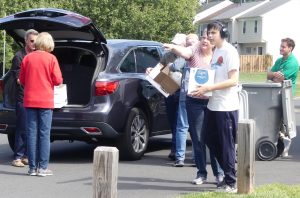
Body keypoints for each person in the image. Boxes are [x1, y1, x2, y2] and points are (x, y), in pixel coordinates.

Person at [164, 32, 224, 186]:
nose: (205, 40)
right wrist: (173, 46)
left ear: (214, 42)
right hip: (195, 102)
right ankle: (201, 173)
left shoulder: (219, 56)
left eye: (208, 38)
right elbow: (183, 53)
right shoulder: (194, 52)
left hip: (213, 102)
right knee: (198, 139)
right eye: (202, 37)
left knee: (213, 139)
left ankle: (219, 174)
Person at [191, 21, 240, 193]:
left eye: (213, 32)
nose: (210, 36)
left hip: (226, 107)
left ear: (223, 33)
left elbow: (233, 80)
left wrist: (209, 88)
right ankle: (228, 174)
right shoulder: (216, 51)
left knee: (226, 144)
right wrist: (200, 87)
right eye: (208, 33)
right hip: (213, 105)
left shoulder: (229, 51)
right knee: (209, 140)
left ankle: (232, 182)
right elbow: (214, 76)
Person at [19, 32, 63, 176]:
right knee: (44, 134)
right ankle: (43, 168)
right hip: (45, 101)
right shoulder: (51, 58)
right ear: (48, 43)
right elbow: (58, 80)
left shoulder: (27, 58)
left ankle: (32, 168)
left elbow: (22, 80)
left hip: (29, 101)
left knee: (31, 134)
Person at [10, 29, 38, 167]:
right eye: (32, 41)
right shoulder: (19, 56)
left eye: (36, 41)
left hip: (34, 98)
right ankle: (17, 157)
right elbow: (18, 80)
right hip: (22, 98)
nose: (34, 44)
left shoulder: (36, 55)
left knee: (30, 129)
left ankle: (27, 155)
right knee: (22, 128)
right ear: (26, 41)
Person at [267, 38, 299, 157]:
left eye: (283, 47)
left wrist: (274, 76)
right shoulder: (279, 60)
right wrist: (273, 75)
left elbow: (279, 78)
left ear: (290, 48)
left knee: (285, 121)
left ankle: (286, 143)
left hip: (286, 96)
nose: (281, 48)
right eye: (280, 46)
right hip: (276, 94)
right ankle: (278, 142)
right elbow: (269, 75)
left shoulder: (293, 62)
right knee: (275, 119)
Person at [174, 33, 199, 167]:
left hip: (187, 93)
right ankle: (196, 157)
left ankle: (180, 158)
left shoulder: (186, 54)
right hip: (198, 93)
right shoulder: (202, 53)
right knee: (196, 127)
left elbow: (176, 66)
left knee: (182, 127)